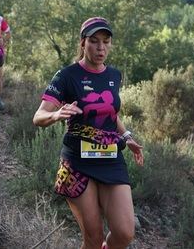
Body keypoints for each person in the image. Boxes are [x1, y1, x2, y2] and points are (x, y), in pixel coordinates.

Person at [33, 17, 144, 249]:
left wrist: (127, 137)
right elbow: (38, 117)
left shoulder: (114, 75)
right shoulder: (66, 76)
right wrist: (56, 115)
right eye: (94, 41)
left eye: (106, 41)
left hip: (110, 157)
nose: (101, 47)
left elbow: (110, 113)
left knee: (124, 233)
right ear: (83, 43)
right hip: (77, 163)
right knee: (93, 239)